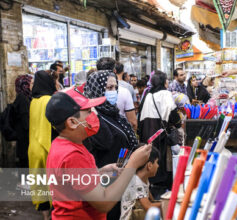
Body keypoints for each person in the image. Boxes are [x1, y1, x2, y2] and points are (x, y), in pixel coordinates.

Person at [45, 88, 152, 220]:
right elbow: (103, 203)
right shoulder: (73, 155)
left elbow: (73, 181)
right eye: (89, 112)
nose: (94, 116)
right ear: (72, 122)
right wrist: (132, 165)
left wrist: (99, 172)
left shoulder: (61, 145)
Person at [83, 69, 139, 220]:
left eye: (115, 87)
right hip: (105, 181)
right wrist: (93, 112)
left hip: (119, 178)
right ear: (97, 89)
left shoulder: (114, 114)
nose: (113, 91)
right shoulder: (92, 117)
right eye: (108, 88)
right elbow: (106, 141)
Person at [138, 71, 181, 199]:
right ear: (163, 81)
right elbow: (172, 112)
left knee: (150, 159)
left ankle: (151, 188)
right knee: (161, 161)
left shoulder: (147, 94)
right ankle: (162, 195)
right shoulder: (166, 94)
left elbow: (140, 113)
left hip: (147, 132)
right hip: (160, 133)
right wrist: (178, 125)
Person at [28, 70, 57, 220]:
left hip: (34, 149)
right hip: (48, 148)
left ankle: (45, 217)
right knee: (53, 184)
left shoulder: (33, 101)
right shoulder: (50, 101)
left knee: (40, 184)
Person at [120, 146, 161, 220]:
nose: (158, 166)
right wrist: (167, 203)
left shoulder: (144, 179)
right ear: (149, 165)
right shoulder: (135, 181)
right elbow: (148, 206)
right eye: (157, 162)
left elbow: (151, 200)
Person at [13, 74, 33, 168]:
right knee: (24, 163)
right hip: (24, 139)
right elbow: (26, 123)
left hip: (24, 138)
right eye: (31, 83)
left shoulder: (24, 97)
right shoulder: (23, 99)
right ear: (25, 85)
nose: (33, 86)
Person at [114, 62, 137, 130]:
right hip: (125, 126)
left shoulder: (104, 86)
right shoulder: (129, 87)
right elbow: (133, 106)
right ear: (123, 71)